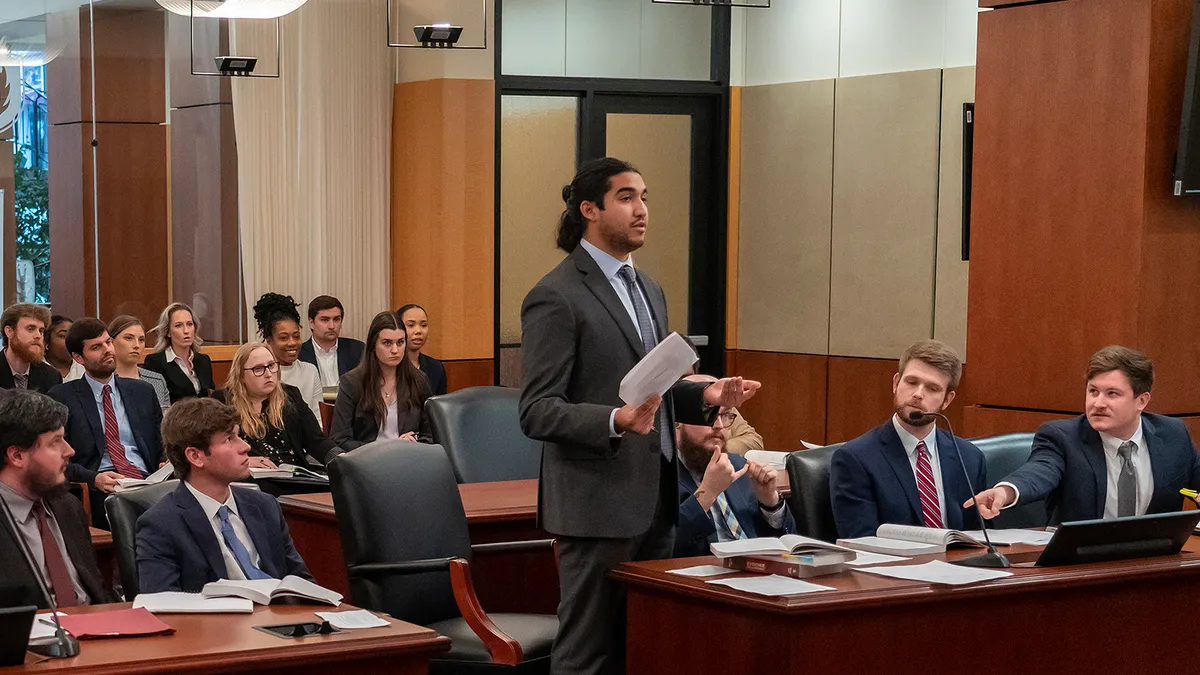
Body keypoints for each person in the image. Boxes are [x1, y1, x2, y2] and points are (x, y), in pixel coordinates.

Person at [518, 157, 760, 675]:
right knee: (588, 653)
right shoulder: (556, 295)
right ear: (589, 209)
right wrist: (614, 420)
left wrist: (709, 396)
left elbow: (658, 388)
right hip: (595, 504)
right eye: (626, 197)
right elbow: (537, 411)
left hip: (656, 496)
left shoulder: (649, 289)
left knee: (647, 646)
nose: (642, 209)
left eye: (644, 197)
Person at [971, 345, 1200, 524]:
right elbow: (1039, 472)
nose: (1098, 403)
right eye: (1093, 391)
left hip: (1156, 562)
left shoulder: (1172, 435)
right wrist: (1005, 492)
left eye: (1112, 394)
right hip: (1083, 565)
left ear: (1141, 401)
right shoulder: (1062, 438)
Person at [135, 397, 314, 593]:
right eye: (229, 439)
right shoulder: (160, 525)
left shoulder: (264, 505)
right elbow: (163, 606)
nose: (245, 447)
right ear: (195, 456)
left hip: (279, 618)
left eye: (239, 436)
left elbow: (300, 580)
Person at [829, 340, 985, 539]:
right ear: (896, 383)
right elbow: (861, 543)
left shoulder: (969, 458)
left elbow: (979, 537)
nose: (918, 394)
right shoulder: (856, 459)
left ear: (947, 400)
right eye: (911, 382)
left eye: (932, 388)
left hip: (959, 565)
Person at [0, 389, 117, 608]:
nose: (69, 451)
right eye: (56, 442)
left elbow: (98, 590)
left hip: (96, 630)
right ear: (17, 456)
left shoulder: (67, 506)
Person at [48, 319, 163, 528]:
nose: (107, 350)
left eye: (108, 342)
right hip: (102, 488)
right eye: (96, 347)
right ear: (78, 357)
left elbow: (161, 444)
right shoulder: (62, 397)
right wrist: (94, 479)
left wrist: (165, 462)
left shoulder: (142, 392)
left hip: (147, 480)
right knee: (129, 514)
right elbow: (56, 460)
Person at [674, 399, 795, 558]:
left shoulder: (739, 465)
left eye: (724, 415)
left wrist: (770, 504)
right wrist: (707, 493)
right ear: (677, 424)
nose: (719, 425)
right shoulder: (657, 476)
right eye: (707, 415)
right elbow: (662, 547)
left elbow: (787, 541)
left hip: (756, 573)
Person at [222, 342, 340, 468]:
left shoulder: (290, 395)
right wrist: (242, 461)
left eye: (271, 365)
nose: (268, 374)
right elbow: (215, 449)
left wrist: (342, 458)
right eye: (258, 369)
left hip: (293, 475)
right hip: (250, 477)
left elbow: (316, 441)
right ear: (241, 376)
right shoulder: (224, 402)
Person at [330, 311, 431, 451]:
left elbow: (430, 436)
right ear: (373, 345)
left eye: (400, 342)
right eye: (387, 343)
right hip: (366, 462)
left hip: (408, 461)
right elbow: (339, 440)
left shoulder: (418, 380)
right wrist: (387, 447)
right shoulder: (352, 383)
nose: (395, 350)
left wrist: (414, 442)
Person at [253, 293, 323, 418]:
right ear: (269, 340)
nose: (292, 343)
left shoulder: (310, 371)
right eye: (283, 338)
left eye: (296, 336)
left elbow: (318, 419)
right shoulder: (261, 373)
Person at [142, 302, 215, 403]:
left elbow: (212, 398)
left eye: (189, 324)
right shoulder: (155, 362)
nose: (186, 331)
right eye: (178, 325)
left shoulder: (203, 360)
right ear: (168, 332)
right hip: (174, 417)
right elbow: (157, 403)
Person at [684, 373, 763, 455]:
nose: (719, 425)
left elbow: (753, 440)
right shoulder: (680, 403)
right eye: (707, 414)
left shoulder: (723, 404)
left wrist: (716, 449)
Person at [107, 315, 171, 411]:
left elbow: (165, 421)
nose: (137, 345)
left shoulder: (157, 380)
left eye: (141, 340)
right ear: (111, 342)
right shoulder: (103, 381)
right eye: (129, 338)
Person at [300, 295, 365, 389]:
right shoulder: (299, 354)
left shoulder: (358, 350)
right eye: (325, 320)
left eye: (336, 319)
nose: (332, 326)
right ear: (311, 323)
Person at [0, 303, 62, 393]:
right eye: (30, 329)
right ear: (9, 332)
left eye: (41, 330)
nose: (38, 336)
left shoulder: (51, 376)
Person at [396, 303, 447, 396]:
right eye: (411, 325)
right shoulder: (390, 366)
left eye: (423, 325)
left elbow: (440, 406)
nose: (418, 331)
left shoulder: (435, 367)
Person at [46, 316, 85, 382]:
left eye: (73, 336)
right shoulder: (35, 370)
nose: (70, 341)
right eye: (63, 336)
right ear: (46, 341)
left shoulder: (85, 368)